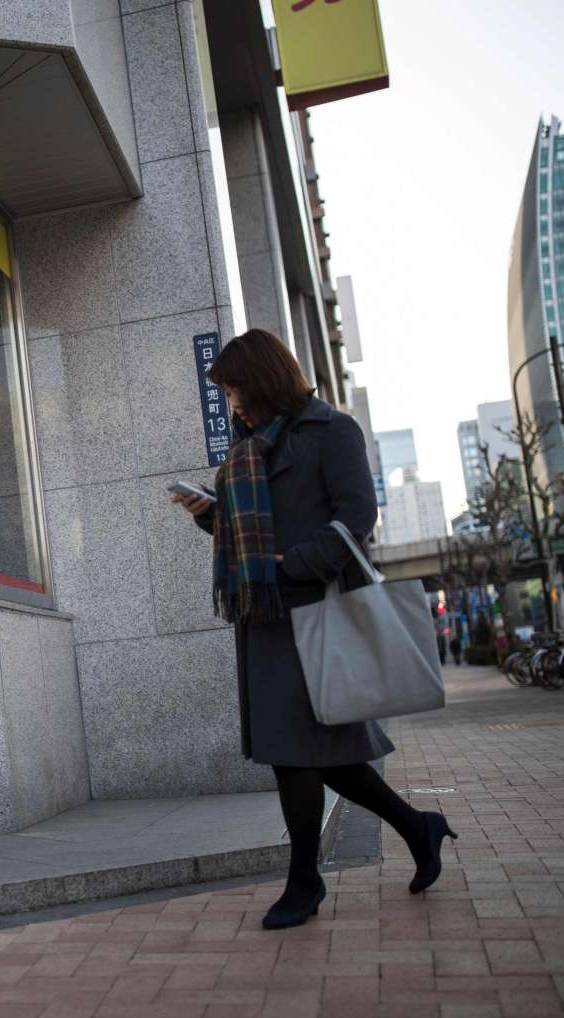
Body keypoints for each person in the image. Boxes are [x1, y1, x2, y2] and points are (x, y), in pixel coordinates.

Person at [171, 329, 457, 930]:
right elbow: (245, 529)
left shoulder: (333, 431)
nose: (231, 401)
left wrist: (295, 563)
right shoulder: (249, 447)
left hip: (316, 609)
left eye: (235, 388)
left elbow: (357, 516)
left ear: (263, 381)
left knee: (298, 756)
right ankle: (417, 828)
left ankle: (305, 881)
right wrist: (210, 516)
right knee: (306, 756)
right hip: (266, 616)